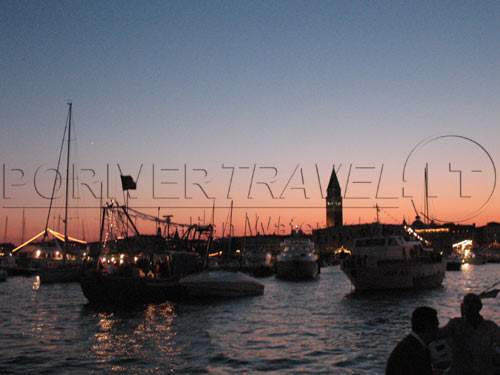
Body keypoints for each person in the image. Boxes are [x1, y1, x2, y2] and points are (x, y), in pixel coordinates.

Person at [439, 293, 500, 375]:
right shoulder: (455, 324)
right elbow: (437, 335)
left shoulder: (490, 326)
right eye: (468, 303)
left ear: (479, 307)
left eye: (473, 304)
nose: (470, 306)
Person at [386, 306, 439, 375]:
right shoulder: (414, 352)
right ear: (428, 327)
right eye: (436, 325)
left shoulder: (409, 346)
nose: (438, 330)